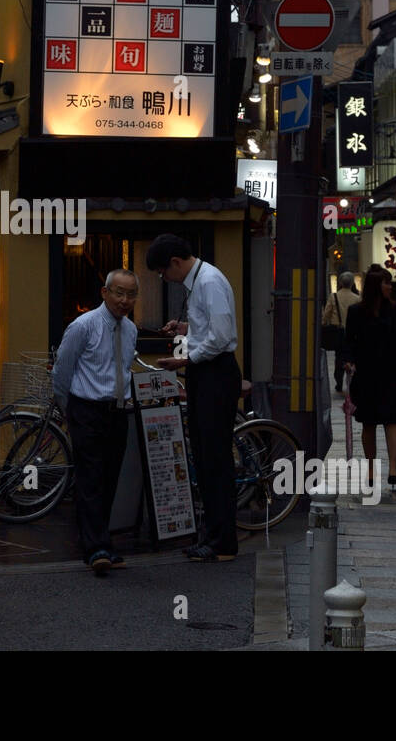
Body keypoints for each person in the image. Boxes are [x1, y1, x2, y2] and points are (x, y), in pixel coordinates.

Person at [148, 234, 241, 562]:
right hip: (208, 371)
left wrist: (183, 361)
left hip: (215, 372)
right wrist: (185, 328)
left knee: (214, 458)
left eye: (162, 272)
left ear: (175, 262)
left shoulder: (209, 282)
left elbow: (221, 337)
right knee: (205, 456)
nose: (164, 278)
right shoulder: (201, 280)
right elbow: (210, 329)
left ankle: (223, 541)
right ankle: (214, 536)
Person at [52, 268, 140, 574]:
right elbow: (62, 371)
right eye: (119, 293)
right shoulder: (83, 326)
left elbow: (125, 369)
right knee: (90, 477)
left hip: (117, 410)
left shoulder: (130, 330)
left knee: (109, 478)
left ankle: (101, 541)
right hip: (86, 407)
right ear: (105, 293)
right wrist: (69, 409)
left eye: (131, 294)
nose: (124, 300)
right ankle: (95, 547)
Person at [343, 266, 396, 490]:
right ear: (376, 287)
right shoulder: (356, 311)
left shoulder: (394, 310)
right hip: (366, 374)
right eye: (387, 283)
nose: (390, 287)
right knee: (369, 422)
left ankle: (393, 467)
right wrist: (349, 360)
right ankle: (371, 467)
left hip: (391, 373)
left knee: (392, 419)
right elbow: (349, 341)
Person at [322, 271, 361, 392]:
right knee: (352, 356)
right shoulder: (357, 298)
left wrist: (324, 323)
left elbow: (326, 315)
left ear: (340, 283)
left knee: (339, 357)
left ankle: (339, 382)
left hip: (338, 332)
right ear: (352, 284)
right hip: (354, 333)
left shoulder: (333, 297)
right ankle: (352, 380)